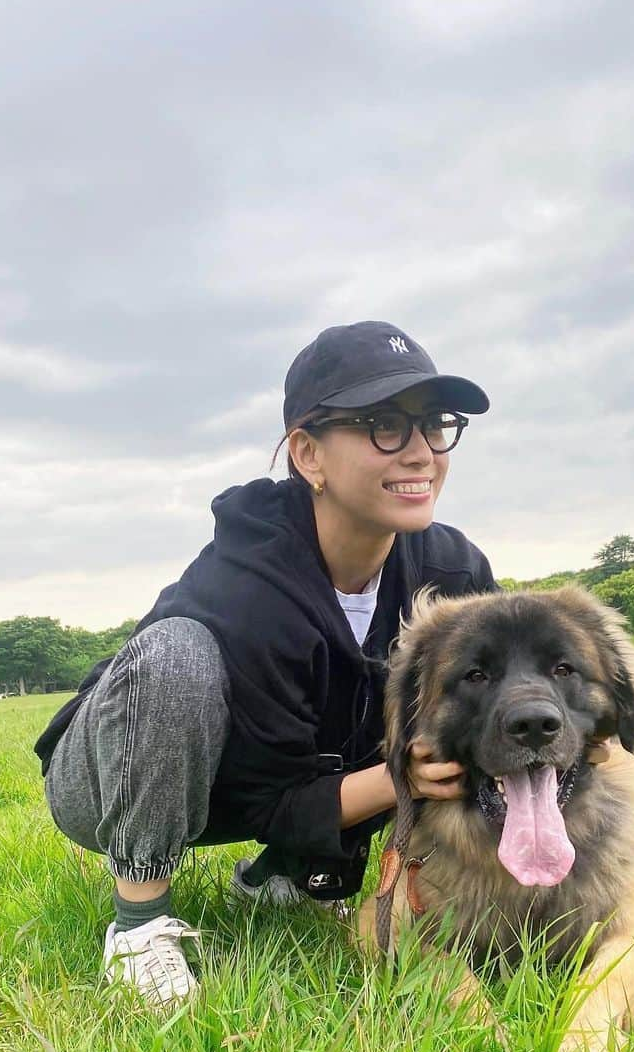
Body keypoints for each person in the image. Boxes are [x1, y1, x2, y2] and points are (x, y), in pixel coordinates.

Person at [35, 320, 496, 1007]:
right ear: (308, 454)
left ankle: (279, 875)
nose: (421, 453)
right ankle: (139, 925)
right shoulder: (248, 578)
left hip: (264, 772)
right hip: (116, 772)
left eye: (435, 425)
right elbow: (271, 792)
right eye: (383, 426)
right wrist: (403, 776)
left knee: (420, 689)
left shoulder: (451, 569)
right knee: (177, 655)